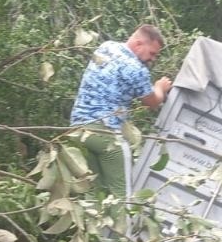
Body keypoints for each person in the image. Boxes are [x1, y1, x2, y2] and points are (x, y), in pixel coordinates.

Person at [69, 24, 173, 199]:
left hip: (78, 129)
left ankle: (93, 225)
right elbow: (152, 102)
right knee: (123, 197)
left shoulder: (106, 46)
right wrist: (160, 87)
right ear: (139, 44)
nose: (152, 59)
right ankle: (124, 226)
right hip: (105, 133)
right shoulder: (135, 69)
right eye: (152, 53)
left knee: (93, 195)